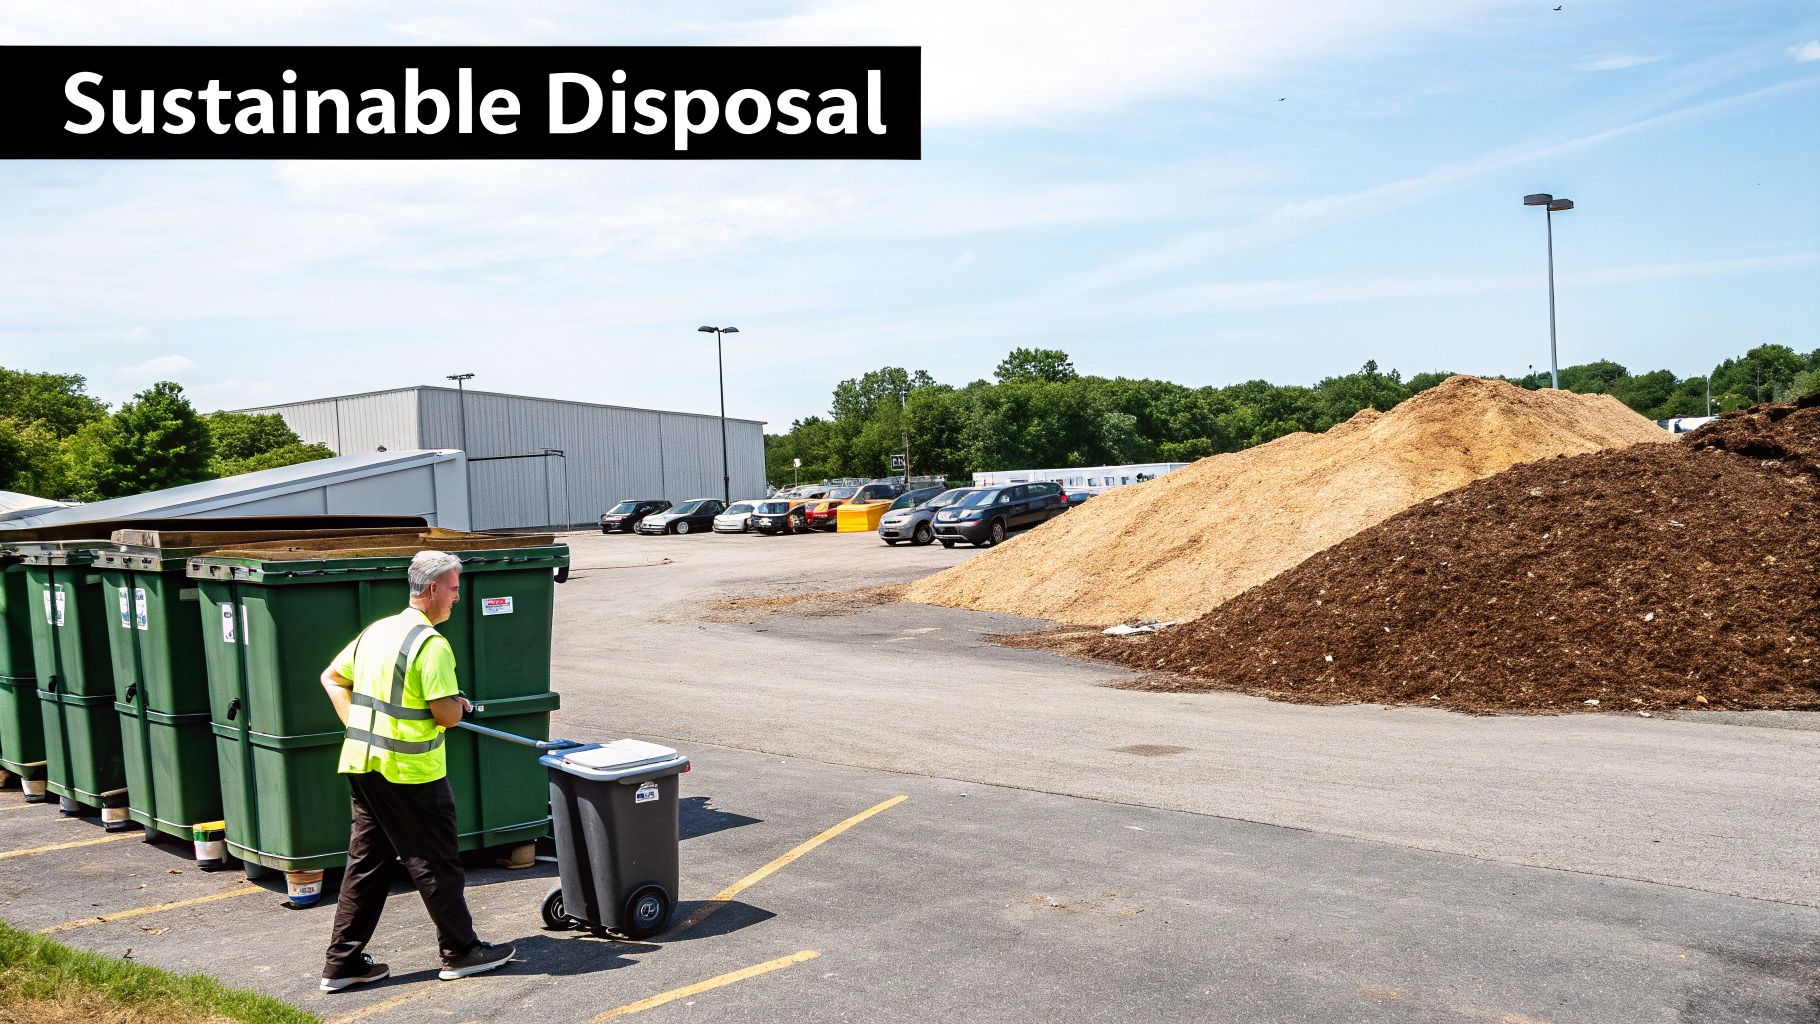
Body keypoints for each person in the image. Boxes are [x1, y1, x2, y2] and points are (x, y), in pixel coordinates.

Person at [316, 550, 515, 992]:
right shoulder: (431, 644)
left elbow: (332, 678)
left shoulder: (378, 631)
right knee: (436, 862)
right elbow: (443, 716)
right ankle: (461, 951)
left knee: (366, 865)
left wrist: (358, 726)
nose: (457, 598)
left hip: (363, 764)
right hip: (409, 772)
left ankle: (342, 963)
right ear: (431, 589)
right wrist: (458, 707)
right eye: (454, 588)